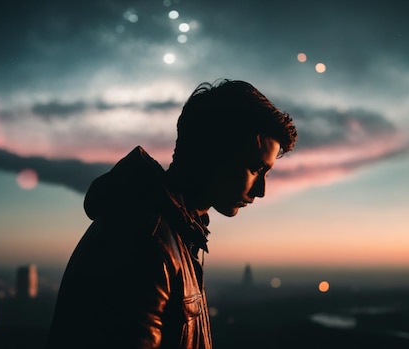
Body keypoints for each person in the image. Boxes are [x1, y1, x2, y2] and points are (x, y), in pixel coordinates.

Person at [45, 79, 297, 349]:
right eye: (256, 169)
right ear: (214, 152)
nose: (261, 191)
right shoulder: (144, 239)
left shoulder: (174, 231)